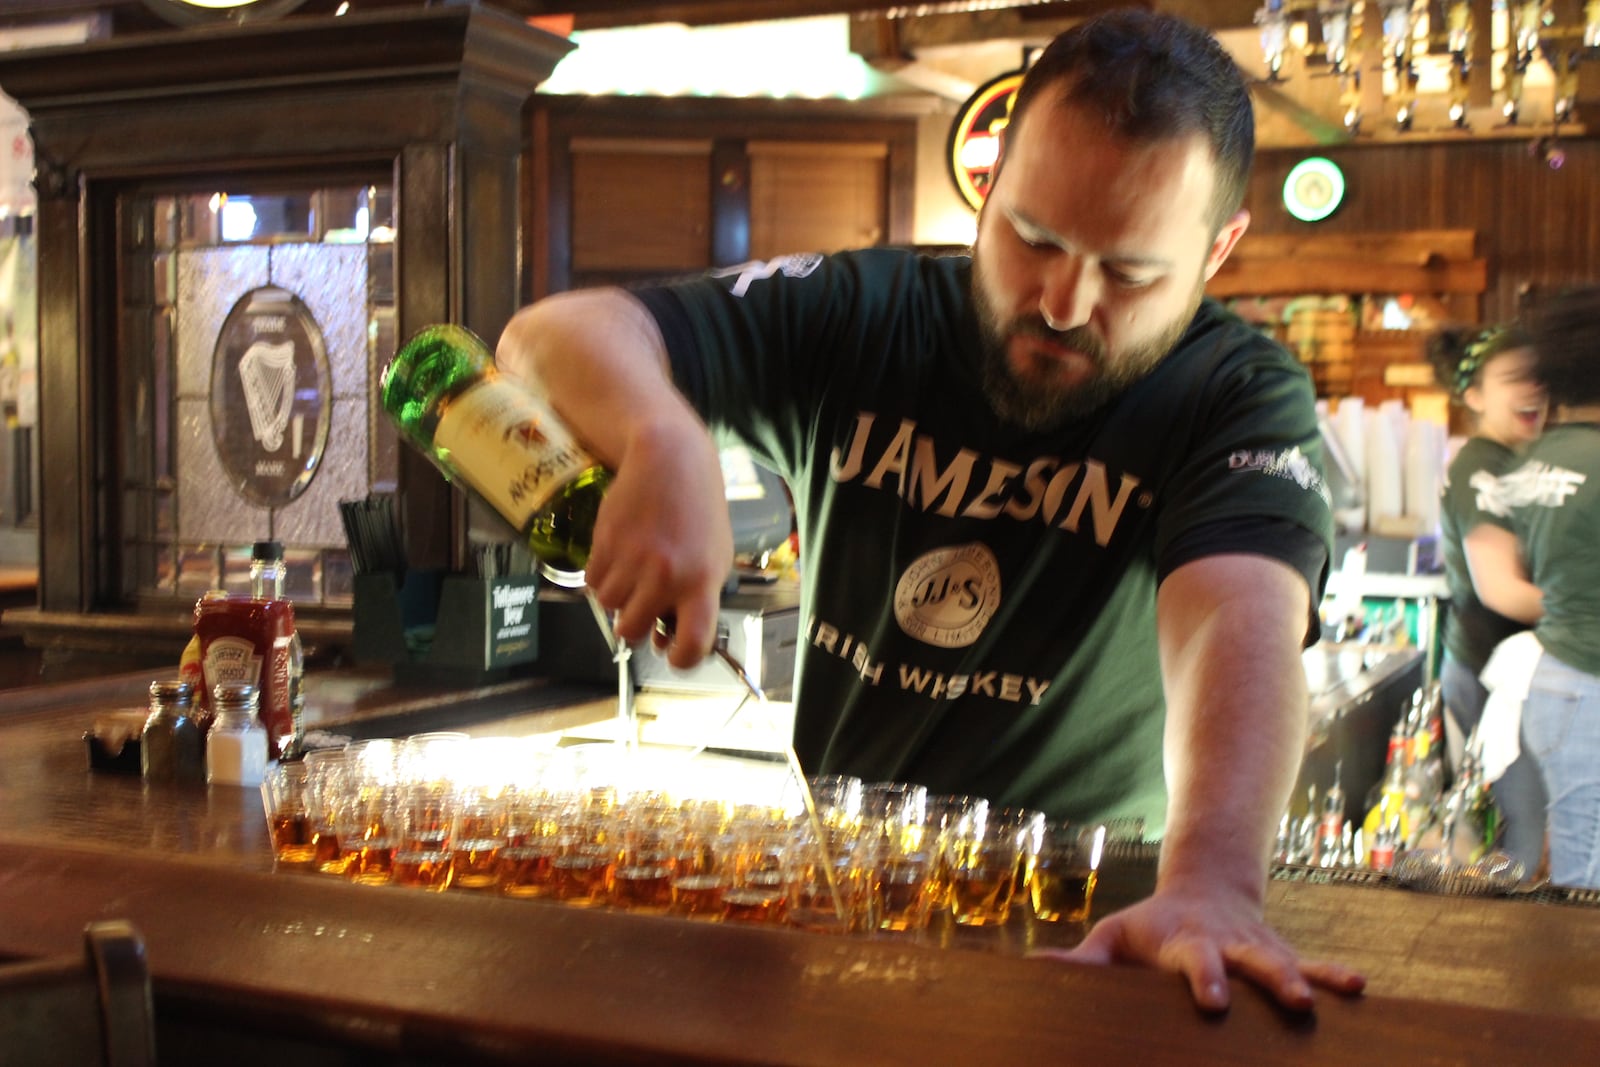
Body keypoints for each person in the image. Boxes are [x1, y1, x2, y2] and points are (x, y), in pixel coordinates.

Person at [497, 9, 1364, 1011]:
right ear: (987, 189)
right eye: (1032, 238)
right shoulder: (869, 311)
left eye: (1129, 272)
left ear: (1217, 253)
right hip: (841, 923)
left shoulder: (1234, 391)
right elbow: (553, 334)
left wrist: (1212, 879)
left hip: (1086, 941)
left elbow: (1234, 616)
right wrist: (662, 433)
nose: (1064, 301)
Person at [1427, 324, 1548, 873]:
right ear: (1473, 394)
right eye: (1513, 378)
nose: (1533, 389)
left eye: (1538, 376)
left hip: (1499, 670)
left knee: (1509, 825)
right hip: (1487, 672)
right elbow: (1499, 588)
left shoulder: (1512, 461)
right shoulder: (1482, 466)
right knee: (1518, 831)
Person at [1502, 286, 1600, 889]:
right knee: (1586, 873)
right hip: (1589, 685)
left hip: (1554, 681)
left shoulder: (1533, 462)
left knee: (1576, 854)